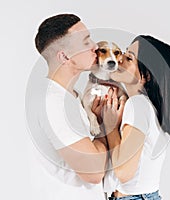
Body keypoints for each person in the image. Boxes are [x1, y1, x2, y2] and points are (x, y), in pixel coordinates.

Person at [30, 13, 109, 199]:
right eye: (86, 41)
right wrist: (107, 128)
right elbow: (93, 172)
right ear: (64, 56)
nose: (95, 47)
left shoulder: (72, 98)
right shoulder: (54, 103)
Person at [102, 35, 170, 200]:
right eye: (124, 53)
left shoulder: (138, 105)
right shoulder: (149, 107)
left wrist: (110, 126)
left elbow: (124, 172)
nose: (119, 59)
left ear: (146, 75)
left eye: (129, 58)